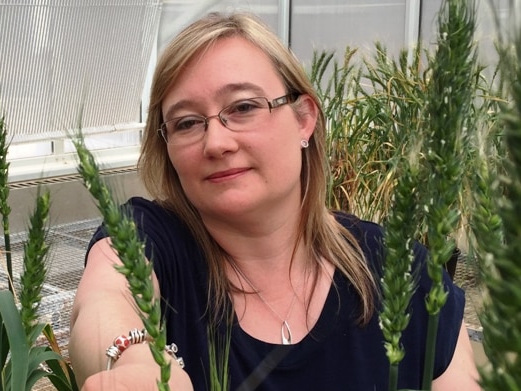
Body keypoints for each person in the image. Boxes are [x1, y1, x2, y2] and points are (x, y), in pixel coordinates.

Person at [69, 11, 479, 391]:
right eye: (187, 123)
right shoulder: (150, 237)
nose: (216, 142)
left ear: (304, 118)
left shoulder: (401, 271)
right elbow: (104, 299)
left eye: (244, 107)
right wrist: (132, 362)